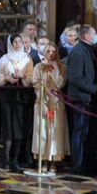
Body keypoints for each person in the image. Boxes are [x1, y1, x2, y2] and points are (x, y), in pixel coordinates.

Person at [0, 35, 35, 171]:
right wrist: (6, 78)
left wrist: (22, 77)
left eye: (19, 41)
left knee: (19, 129)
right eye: (14, 42)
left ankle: (15, 159)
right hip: (8, 97)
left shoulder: (27, 58)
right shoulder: (4, 59)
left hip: (22, 97)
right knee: (9, 129)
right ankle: (5, 159)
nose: (17, 44)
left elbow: (31, 78)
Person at [65, 25, 97, 173]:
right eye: (94, 33)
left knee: (86, 132)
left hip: (87, 98)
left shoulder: (86, 50)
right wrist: (94, 89)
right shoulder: (79, 52)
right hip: (80, 98)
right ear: (86, 36)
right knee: (79, 131)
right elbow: (75, 78)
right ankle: (78, 164)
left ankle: (86, 162)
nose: (96, 36)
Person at [30, 44, 68, 174]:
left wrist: (56, 69)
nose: (51, 53)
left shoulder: (62, 67)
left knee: (55, 132)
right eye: (48, 51)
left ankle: (54, 161)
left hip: (56, 102)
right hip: (42, 102)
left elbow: (59, 84)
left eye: (53, 51)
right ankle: (43, 160)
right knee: (42, 132)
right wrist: (43, 103)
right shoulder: (38, 67)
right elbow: (36, 85)